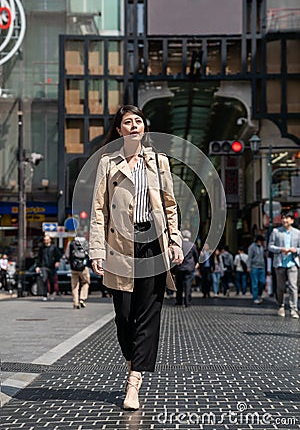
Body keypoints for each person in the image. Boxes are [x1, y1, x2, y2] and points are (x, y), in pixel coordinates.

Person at [89, 105, 183, 410]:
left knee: (147, 315)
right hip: (120, 247)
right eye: (127, 122)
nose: (133, 126)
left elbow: (170, 205)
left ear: (144, 128)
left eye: (137, 121)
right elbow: (99, 210)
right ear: (119, 130)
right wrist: (97, 250)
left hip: (152, 244)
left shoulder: (159, 162)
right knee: (124, 316)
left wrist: (175, 241)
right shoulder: (107, 163)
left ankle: (133, 383)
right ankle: (134, 362)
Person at [268, 210, 300, 319]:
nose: (284, 220)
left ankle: (294, 309)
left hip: (292, 263)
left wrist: (295, 250)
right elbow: (270, 246)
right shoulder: (276, 232)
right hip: (280, 263)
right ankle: (280, 306)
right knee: (280, 287)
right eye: (283, 218)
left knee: (293, 286)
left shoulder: (297, 233)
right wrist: (280, 249)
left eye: (287, 218)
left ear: (292, 220)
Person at [174, 229, 199, 307]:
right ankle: (187, 301)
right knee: (188, 285)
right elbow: (196, 256)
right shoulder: (192, 245)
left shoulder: (179, 245)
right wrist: (196, 264)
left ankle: (179, 300)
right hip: (189, 268)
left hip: (179, 267)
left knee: (179, 285)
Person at [66, 235, 91, 309]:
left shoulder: (71, 243)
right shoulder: (85, 243)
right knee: (86, 282)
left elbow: (67, 255)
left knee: (74, 286)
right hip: (83, 268)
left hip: (73, 267)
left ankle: (75, 302)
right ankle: (82, 298)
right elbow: (89, 255)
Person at [36, 234, 60, 301]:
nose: (46, 241)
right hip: (44, 266)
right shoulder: (42, 248)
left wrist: (57, 262)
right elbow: (39, 258)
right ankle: (45, 294)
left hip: (51, 267)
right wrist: (38, 266)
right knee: (44, 280)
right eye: (45, 240)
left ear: (50, 240)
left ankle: (52, 293)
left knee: (52, 281)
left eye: (47, 239)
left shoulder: (53, 248)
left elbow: (58, 255)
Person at [247, 235, 266, 304]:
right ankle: (255, 297)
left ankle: (259, 294)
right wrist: (248, 267)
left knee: (262, 282)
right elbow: (249, 257)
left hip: (262, 267)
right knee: (254, 283)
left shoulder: (262, 247)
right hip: (254, 267)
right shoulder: (252, 247)